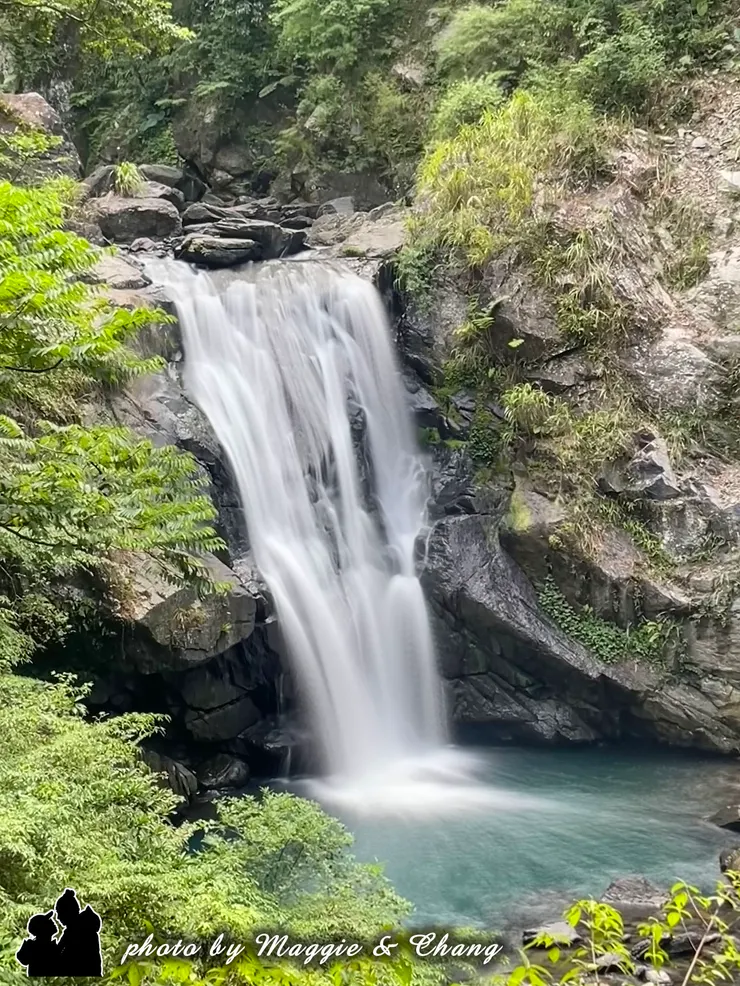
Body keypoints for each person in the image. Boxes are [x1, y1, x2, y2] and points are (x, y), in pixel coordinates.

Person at [54, 889, 103, 977]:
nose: (57, 917)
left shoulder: (75, 931)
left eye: (59, 913)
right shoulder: (76, 929)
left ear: (67, 912)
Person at [16, 911, 61, 977]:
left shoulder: (48, 945)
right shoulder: (37, 947)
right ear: (42, 928)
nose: (53, 922)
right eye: (48, 921)